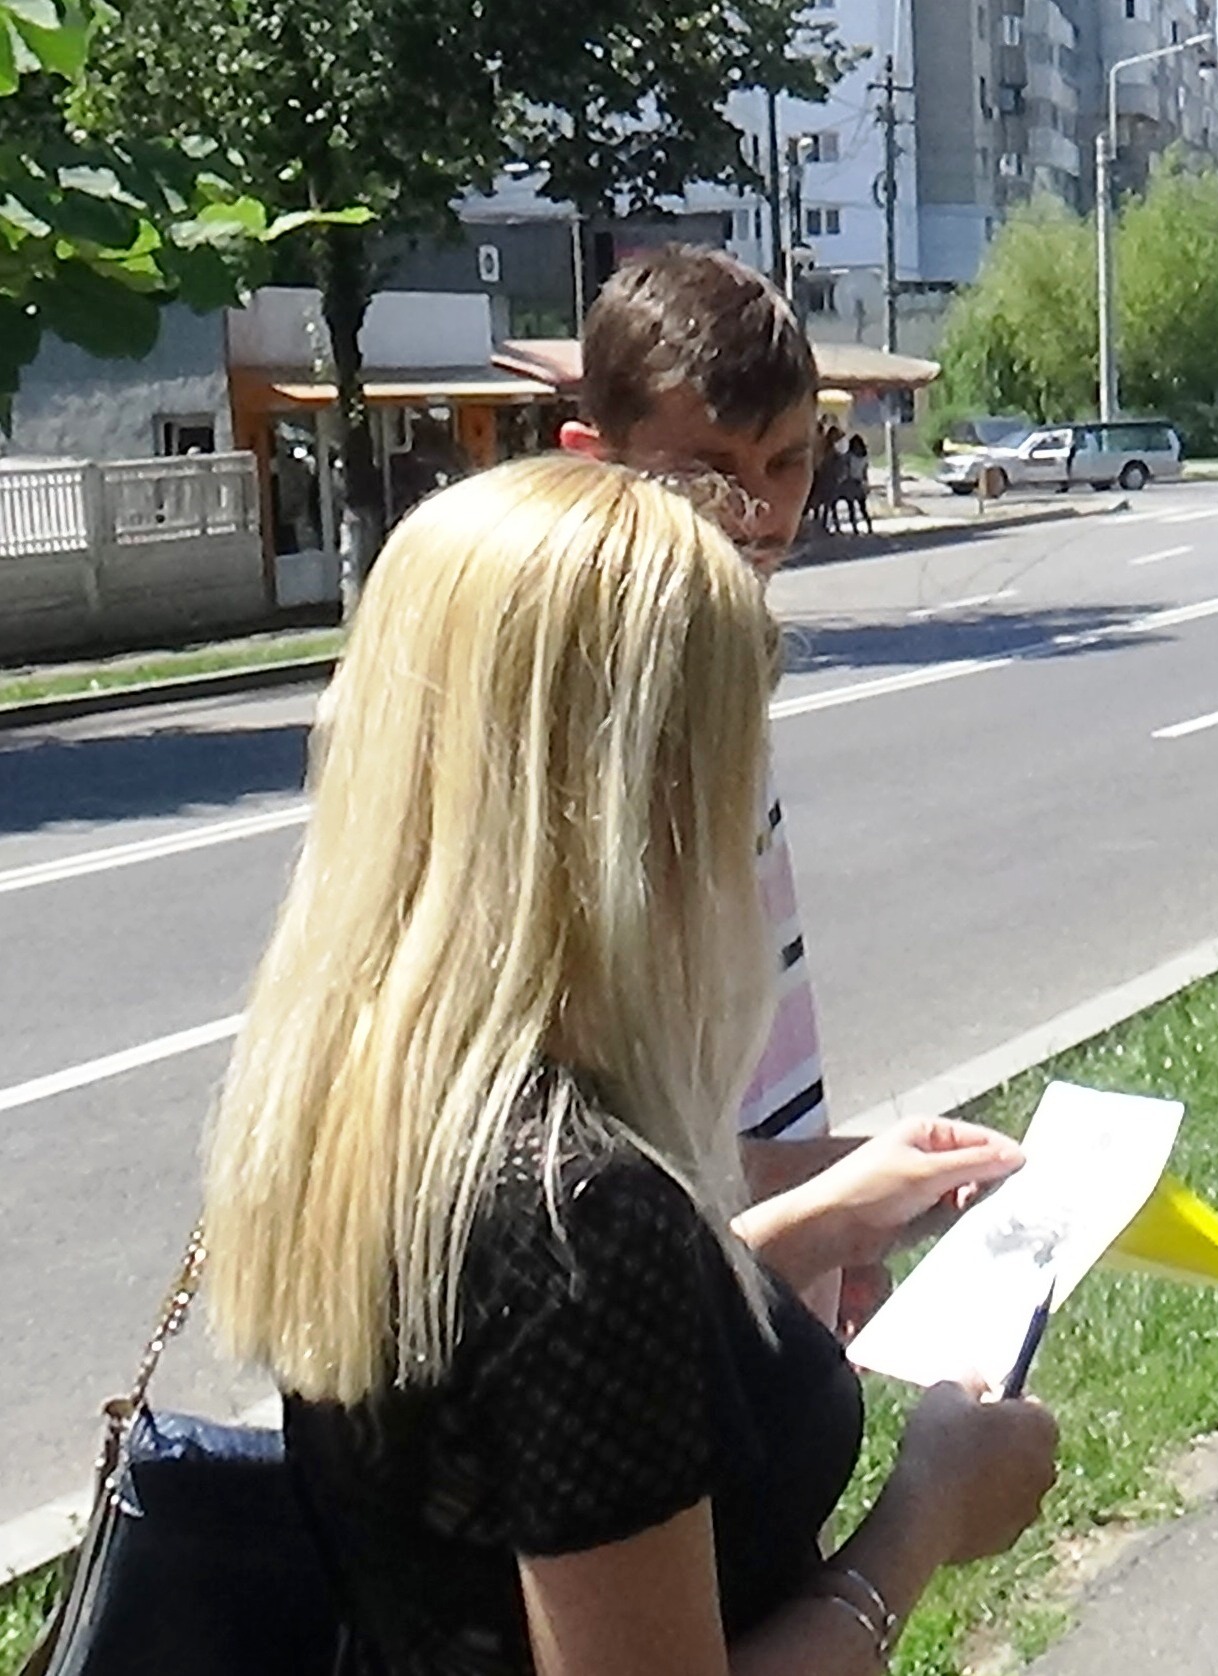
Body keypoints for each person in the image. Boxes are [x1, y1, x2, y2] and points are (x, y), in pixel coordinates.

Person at [204, 455, 1060, 1676]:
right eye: (727, 758)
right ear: (628, 797)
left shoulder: (372, 1096)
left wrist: (808, 1227)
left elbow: (526, 1385)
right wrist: (927, 1513)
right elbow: (572, 1311)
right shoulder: (580, 1213)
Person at [555, 247, 876, 1329]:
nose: (757, 510)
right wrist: (830, 1208)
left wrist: (830, 1231)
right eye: (705, 470)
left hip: (750, 1263)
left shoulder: (722, 668)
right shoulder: (597, 713)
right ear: (592, 462)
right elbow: (606, 1138)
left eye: (788, 462)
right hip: (655, 1315)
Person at [840, 432, 874, 536]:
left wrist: (866, 483)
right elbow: (846, 469)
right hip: (852, 482)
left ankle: (868, 527)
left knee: (861, 507)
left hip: (857, 482)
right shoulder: (850, 456)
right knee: (852, 507)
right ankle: (856, 528)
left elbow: (864, 471)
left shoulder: (862, 457)